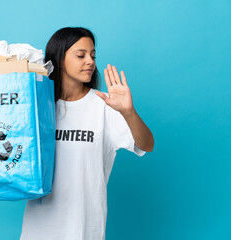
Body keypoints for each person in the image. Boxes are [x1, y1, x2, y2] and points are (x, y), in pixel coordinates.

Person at [20, 27, 154, 240]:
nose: (90, 61)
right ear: (60, 58)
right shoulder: (39, 105)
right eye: (81, 55)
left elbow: (146, 144)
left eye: (92, 55)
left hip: (84, 227)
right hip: (39, 226)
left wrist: (128, 112)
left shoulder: (104, 105)